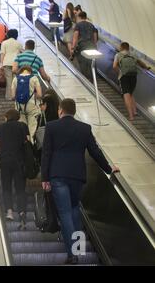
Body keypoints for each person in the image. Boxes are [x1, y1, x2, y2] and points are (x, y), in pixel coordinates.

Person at [41, 99, 119, 264]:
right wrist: (109, 168)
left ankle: (72, 255)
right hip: (77, 176)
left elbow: (46, 153)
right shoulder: (85, 128)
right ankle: (79, 248)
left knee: (65, 213)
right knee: (74, 208)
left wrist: (44, 178)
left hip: (58, 175)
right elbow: (95, 152)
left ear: (60, 110)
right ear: (74, 111)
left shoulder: (52, 127)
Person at [0, 109, 30, 228]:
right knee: (20, 188)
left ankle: (9, 212)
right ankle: (22, 212)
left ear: (6, 117)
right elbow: (28, 142)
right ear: (18, 117)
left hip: (5, 161)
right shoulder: (23, 126)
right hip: (20, 161)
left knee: (6, 186)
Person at [113, 42, 151, 121]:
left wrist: (119, 73)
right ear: (128, 48)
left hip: (124, 77)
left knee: (126, 95)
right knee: (130, 94)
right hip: (133, 76)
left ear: (121, 47)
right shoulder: (133, 54)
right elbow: (141, 63)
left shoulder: (118, 55)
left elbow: (114, 66)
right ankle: (134, 111)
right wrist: (147, 68)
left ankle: (131, 116)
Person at [11, 66, 42, 140]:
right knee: (32, 128)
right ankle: (31, 144)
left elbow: (12, 96)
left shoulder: (15, 78)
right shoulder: (34, 78)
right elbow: (40, 94)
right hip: (32, 106)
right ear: (30, 71)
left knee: (22, 128)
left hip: (19, 107)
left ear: (21, 71)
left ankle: (24, 144)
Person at [71, 11, 98, 81]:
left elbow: (75, 37)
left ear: (79, 17)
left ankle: (85, 79)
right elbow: (95, 35)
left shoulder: (78, 25)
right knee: (91, 62)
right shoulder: (91, 25)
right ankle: (93, 79)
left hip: (82, 46)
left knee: (83, 62)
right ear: (86, 17)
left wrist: (73, 47)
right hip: (91, 45)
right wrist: (95, 45)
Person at [0, 29, 23, 101]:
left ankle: (8, 97)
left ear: (8, 35)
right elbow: (22, 53)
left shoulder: (4, 43)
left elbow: (2, 53)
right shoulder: (18, 43)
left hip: (6, 63)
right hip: (16, 63)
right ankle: (15, 96)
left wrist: (1, 64)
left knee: (9, 80)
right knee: (15, 80)